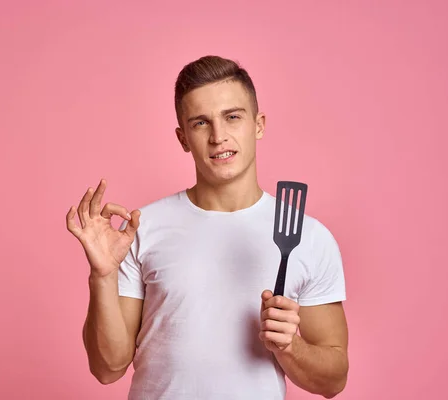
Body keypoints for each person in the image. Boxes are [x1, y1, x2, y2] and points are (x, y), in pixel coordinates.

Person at [66, 55, 349, 399]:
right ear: (183, 137)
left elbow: (333, 380)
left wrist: (291, 347)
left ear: (258, 124)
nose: (218, 136)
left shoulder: (309, 238)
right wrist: (102, 276)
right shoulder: (140, 230)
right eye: (201, 123)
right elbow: (107, 368)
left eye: (232, 117)